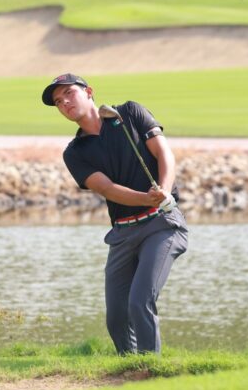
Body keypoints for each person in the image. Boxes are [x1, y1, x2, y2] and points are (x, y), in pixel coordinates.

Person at [42, 73, 188, 354]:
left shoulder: (130, 113)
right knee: (118, 315)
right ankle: (128, 365)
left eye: (69, 94)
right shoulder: (74, 152)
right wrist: (147, 197)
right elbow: (107, 188)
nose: (65, 103)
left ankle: (149, 367)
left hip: (162, 225)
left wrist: (164, 192)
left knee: (140, 300)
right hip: (123, 233)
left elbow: (164, 153)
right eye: (59, 102)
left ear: (89, 92)